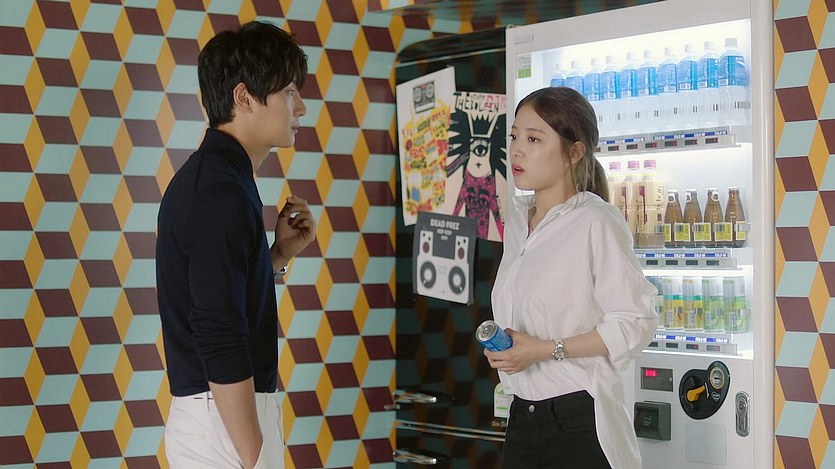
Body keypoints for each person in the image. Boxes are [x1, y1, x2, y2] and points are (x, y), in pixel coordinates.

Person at [156, 21, 316, 469]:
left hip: (221, 417)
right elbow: (218, 331)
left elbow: (223, 295)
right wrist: (252, 452)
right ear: (244, 97)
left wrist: (276, 257)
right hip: (224, 425)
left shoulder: (221, 181)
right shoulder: (218, 192)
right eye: (289, 91)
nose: (301, 107)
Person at [484, 86, 658, 469]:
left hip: (579, 421)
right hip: (521, 419)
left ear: (574, 152)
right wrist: (509, 350)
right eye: (514, 136)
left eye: (533, 139)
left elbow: (636, 322)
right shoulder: (518, 222)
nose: (517, 150)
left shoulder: (596, 221)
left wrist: (545, 349)